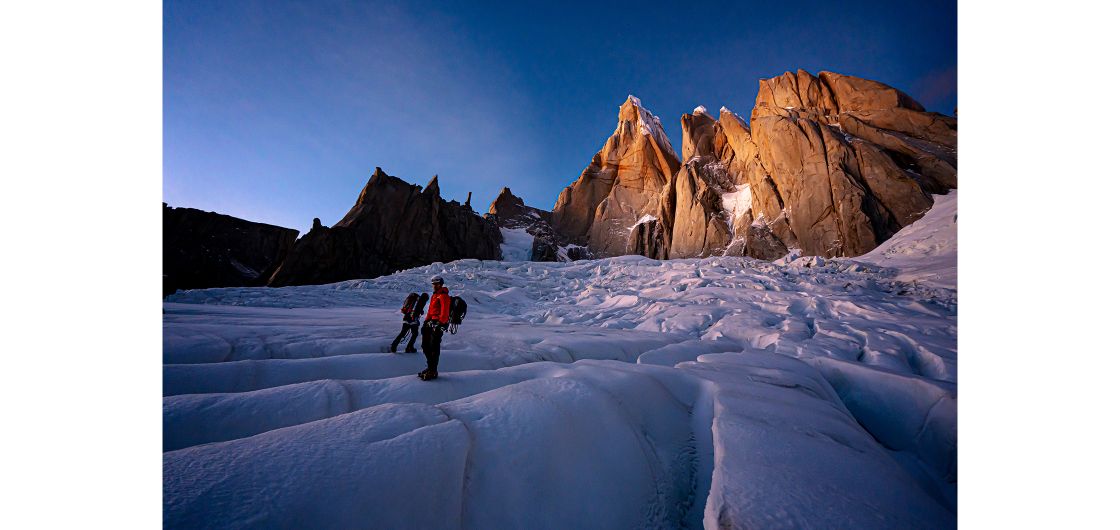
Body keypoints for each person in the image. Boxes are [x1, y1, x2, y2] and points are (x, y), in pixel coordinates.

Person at [419, 275, 451, 381]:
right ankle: (430, 368)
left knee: (434, 348)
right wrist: (426, 321)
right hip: (430, 323)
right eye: (433, 284)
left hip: (437, 325)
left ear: (440, 284)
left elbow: (445, 312)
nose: (434, 286)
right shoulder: (434, 296)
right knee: (425, 345)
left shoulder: (443, 296)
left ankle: (433, 370)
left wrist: (440, 324)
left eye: (436, 284)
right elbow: (430, 311)